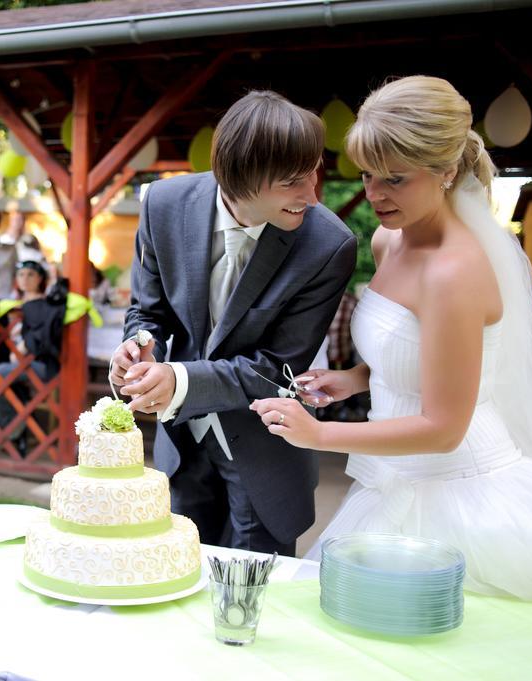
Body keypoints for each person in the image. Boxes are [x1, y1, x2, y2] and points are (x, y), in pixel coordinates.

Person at [250, 76, 532, 601]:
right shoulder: (387, 240)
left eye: (394, 179)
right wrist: (355, 379)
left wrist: (320, 435)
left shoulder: (456, 271)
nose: (374, 194)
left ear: (447, 172)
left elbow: (444, 428)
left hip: (463, 491)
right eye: (366, 175)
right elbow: (416, 356)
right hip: (394, 478)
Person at [111, 91, 357, 555]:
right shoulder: (163, 203)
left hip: (265, 460)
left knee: (253, 605)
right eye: (291, 182)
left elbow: (276, 367)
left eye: (314, 171)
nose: (312, 193)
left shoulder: (329, 245)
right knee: (174, 584)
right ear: (241, 178)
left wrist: (179, 379)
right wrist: (136, 345)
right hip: (179, 452)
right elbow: (148, 311)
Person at [0, 260, 65, 457]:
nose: (25, 279)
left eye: (30, 274)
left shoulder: (46, 305)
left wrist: (24, 347)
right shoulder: (11, 304)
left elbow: (45, 335)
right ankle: (16, 431)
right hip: (15, 364)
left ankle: (15, 431)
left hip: (39, 364)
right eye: (21, 274)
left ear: (40, 279)